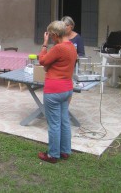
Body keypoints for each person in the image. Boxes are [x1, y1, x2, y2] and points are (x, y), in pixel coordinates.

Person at [37, 20, 77, 163]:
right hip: (67, 88)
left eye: (51, 36)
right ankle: (65, 151)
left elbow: (42, 60)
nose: (51, 38)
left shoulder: (58, 48)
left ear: (54, 34)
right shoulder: (72, 46)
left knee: (54, 123)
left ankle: (53, 154)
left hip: (54, 90)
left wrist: (44, 44)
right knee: (64, 121)